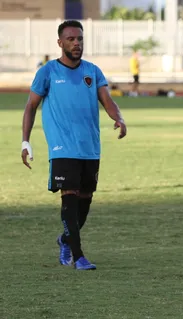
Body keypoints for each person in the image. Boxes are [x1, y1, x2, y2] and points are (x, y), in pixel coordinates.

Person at [21, 20, 128, 270]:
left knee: (85, 200)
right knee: (69, 196)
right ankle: (79, 256)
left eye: (79, 38)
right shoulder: (48, 72)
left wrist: (119, 118)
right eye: (71, 39)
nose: (76, 43)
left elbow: (107, 100)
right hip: (62, 147)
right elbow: (30, 106)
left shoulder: (93, 70)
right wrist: (25, 141)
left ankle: (66, 239)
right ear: (60, 43)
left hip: (89, 147)